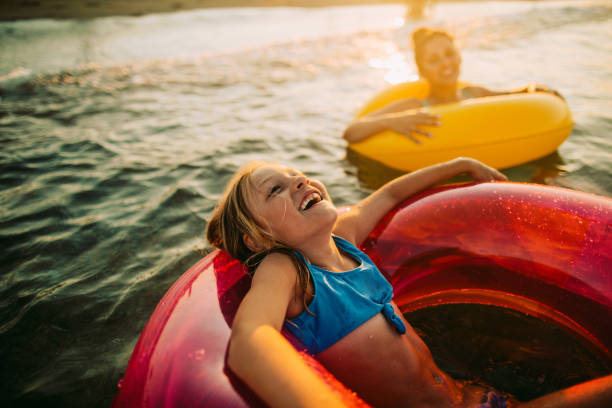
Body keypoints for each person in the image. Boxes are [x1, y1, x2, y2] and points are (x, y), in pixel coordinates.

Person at [206, 157, 612, 407]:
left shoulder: (343, 242)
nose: (300, 181)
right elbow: (251, 337)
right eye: (276, 188)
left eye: (299, 174)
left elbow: (386, 195)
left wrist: (459, 164)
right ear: (256, 238)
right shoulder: (287, 269)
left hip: (471, 396)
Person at [343, 27, 564, 145]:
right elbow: (351, 132)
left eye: (450, 54)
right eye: (434, 59)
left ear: (459, 56)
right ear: (422, 70)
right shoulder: (413, 105)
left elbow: (514, 97)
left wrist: (535, 89)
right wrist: (392, 122)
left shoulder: (474, 93)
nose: (446, 64)